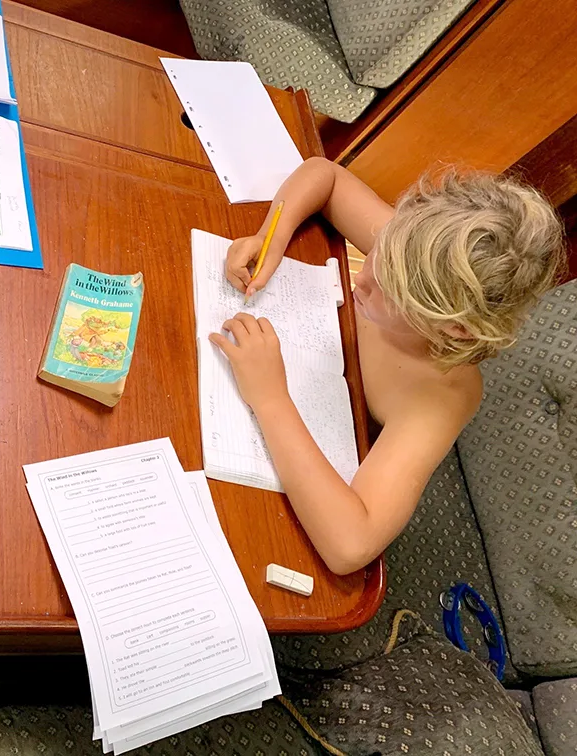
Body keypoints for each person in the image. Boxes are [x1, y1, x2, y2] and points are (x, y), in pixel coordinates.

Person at [211, 157, 564, 575]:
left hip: (321, 445)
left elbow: (350, 546)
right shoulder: (412, 248)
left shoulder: (444, 395)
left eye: (385, 290)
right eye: (376, 253)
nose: (360, 279)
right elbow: (325, 175)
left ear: (454, 329)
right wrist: (272, 235)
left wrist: (270, 399)